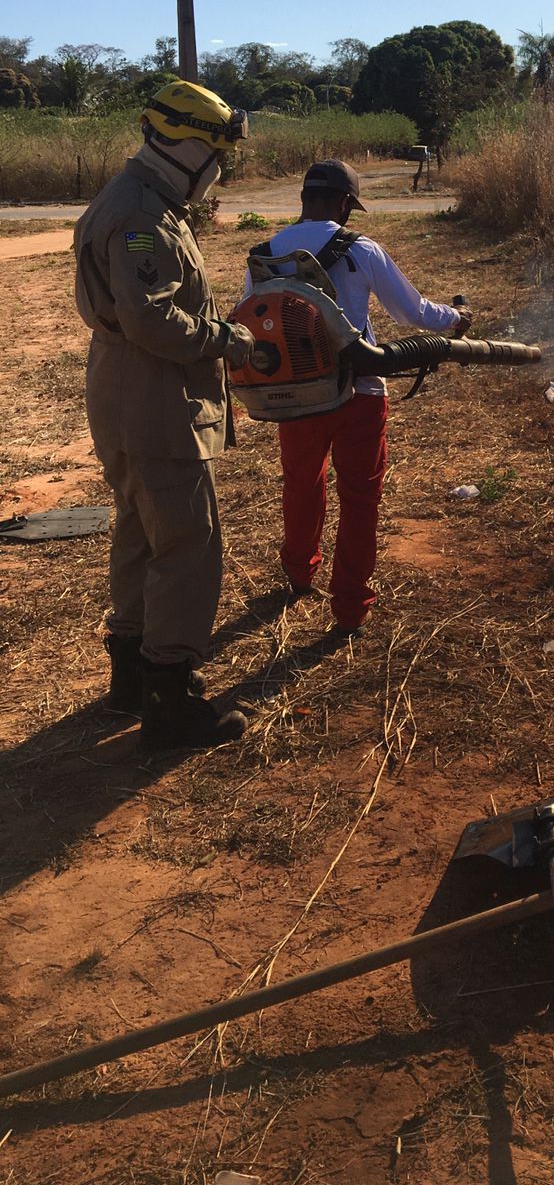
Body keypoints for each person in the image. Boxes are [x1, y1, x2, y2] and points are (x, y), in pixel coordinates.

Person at [74, 79, 256, 749]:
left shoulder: (145, 198)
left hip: (125, 388)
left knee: (141, 530)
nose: (218, 169)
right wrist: (231, 341)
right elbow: (153, 321)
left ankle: (132, 674)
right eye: (215, 153)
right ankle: (168, 698)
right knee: (187, 542)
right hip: (151, 393)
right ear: (184, 146)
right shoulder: (141, 216)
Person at [250, 159, 468, 632]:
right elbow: (413, 313)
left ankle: (298, 571)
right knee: (360, 498)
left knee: (301, 485)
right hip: (359, 393)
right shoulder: (360, 249)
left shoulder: (265, 253)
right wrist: (455, 318)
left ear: (304, 199)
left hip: (294, 397)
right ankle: (349, 605)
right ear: (346, 203)